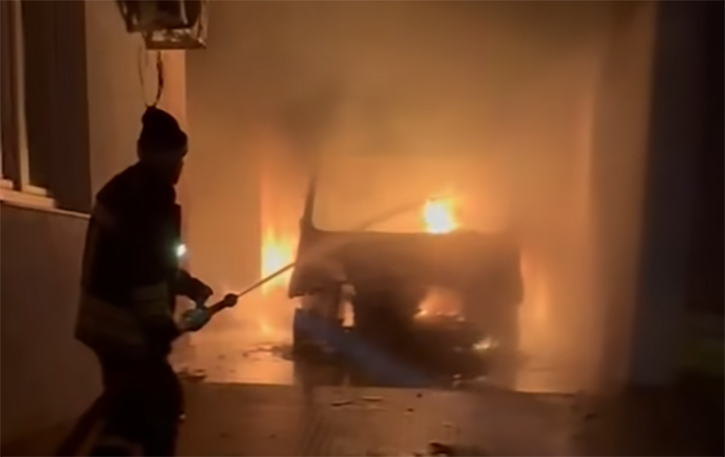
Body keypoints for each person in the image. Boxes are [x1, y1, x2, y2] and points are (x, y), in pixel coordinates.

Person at [75, 106, 230, 456]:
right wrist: (158, 328)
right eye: (178, 158)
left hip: (105, 322)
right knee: (161, 404)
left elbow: (145, 262)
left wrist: (188, 286)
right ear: (163, 156)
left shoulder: (125, 188)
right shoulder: (148, 197)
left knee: (127, 415)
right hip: (124, 327)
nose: (180, 167)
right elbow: (145, 271)